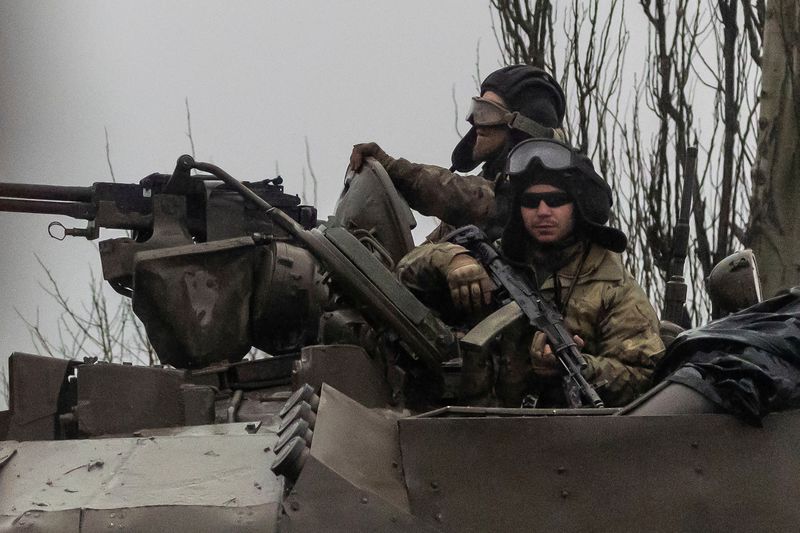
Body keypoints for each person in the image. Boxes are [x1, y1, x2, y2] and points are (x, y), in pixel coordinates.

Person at [396, 139, 665, 407]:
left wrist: (579, 367)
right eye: (531, 201)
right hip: (467, 428)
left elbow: (645, 377)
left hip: (558, 437)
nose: (543, 212)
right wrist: (453, 260)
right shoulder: (493, 259)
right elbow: (403, 276)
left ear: (578, 206)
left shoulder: (613, 287)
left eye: (556, 200)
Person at [349, 65, 566, 242]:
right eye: (477, 110)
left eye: (488, 113)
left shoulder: (534, 196)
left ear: (521, 127)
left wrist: (392, 167)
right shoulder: (485, 186)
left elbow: (466, 197)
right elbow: (421, 257)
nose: (477, 124)